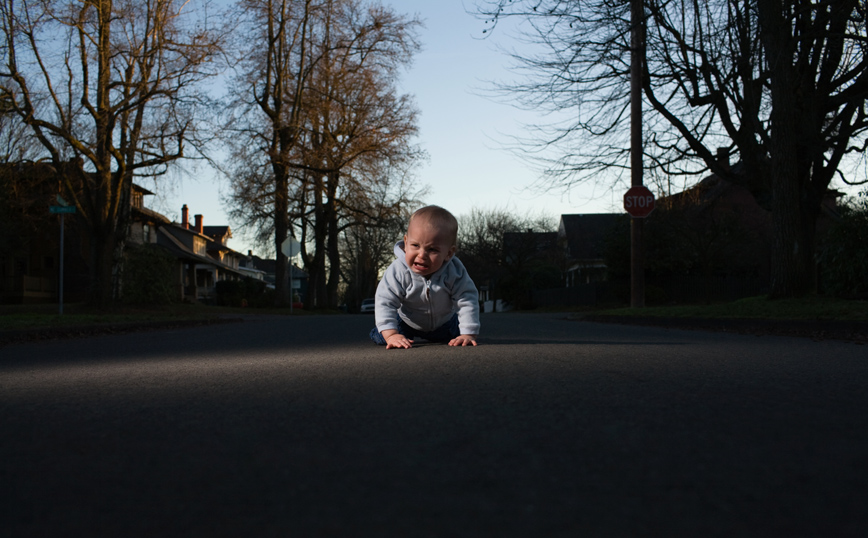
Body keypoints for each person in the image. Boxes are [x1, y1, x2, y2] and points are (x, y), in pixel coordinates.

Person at [370, 205, 480, 349]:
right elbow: (385, 300)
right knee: (386, 336)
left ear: (449, 253)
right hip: (407, 322)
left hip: (444, 323)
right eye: (415, 245)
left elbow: (466, 298)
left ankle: (459, 334)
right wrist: (391, 334)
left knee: (461, 337)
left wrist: (468, 333)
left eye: (432, 249)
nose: (421, 255)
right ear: (405, 243)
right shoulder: (398, 270)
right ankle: (386, 332)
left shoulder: (454, 270)